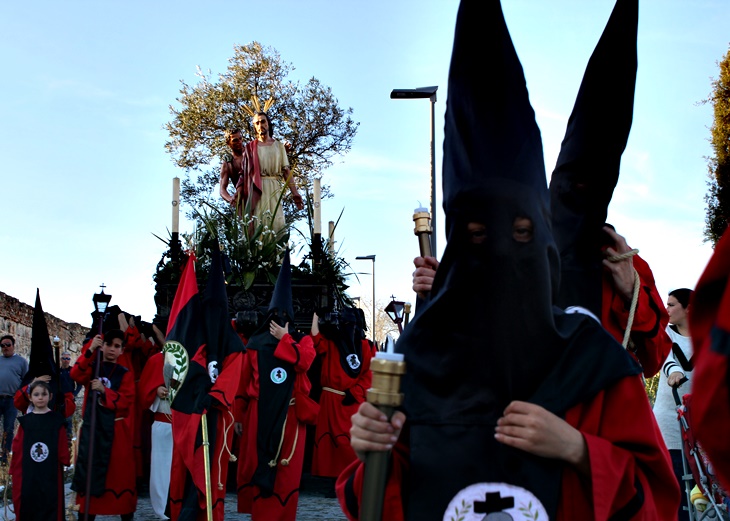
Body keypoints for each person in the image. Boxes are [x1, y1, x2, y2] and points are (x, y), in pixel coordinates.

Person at [338, 1, 678, 519]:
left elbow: (657, 500)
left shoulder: (594, 363)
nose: (499, 251)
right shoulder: (417, 358)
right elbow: (380, 499)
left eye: (520, 233)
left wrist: (578, 448)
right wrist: (371, 453)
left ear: (540, 238)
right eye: (477, 235)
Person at [236, 251, 318, 521]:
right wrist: (238, 415)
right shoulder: (255, 345)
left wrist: (285, 339)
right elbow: (243, 383)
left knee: (286, 473)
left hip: (290, 417)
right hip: (259, 415)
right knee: (261, 467)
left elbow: (305, 362)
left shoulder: (301, 341)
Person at [71, 329, 137, 520]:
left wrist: (105, 392)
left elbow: (126, 401)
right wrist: (90, 350)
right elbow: (75, 374)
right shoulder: (93, 367)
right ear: (103, 346)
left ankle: (125, 514)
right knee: (89, 475)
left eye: (117, 346)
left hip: (115, 433)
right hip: (92, 430)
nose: (112, 349)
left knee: (118, 476)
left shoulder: (125, 374)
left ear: (122, 350)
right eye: (109, 344)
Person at [310, 309, 373, 479]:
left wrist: (356, 392)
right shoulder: (332, 343)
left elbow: (370, 374)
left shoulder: (368, 347)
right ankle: (332, 478)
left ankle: (353, 476)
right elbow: (315, 339)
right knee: (328, 442)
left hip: (352, 402)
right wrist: (317, 314)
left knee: (349, 441)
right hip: (330, 399)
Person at [652, 288, 694, 521]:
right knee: (677, 484)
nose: (666, 310)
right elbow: (667, 359)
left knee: (704, 487)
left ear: (689, 308)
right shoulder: (665, 334)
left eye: (672, 305)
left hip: (700, 422)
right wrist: (675, 372)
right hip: (669, 420)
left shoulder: (709, 337)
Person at [9, 380, 71, 521]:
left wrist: (64, 458)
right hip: (30, 473)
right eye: (36, 394)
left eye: (44, 394)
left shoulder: (56, 420)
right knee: (30, 504)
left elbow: (61, 442)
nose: (40, 397)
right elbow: (18, 447)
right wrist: (14, 469)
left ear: (50, 396)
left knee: (50, 503)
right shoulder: (26, 422)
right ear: (30, 397)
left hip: (50, 471)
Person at [241, 111, 304, 234]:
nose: (260, 125)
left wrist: (295, 193)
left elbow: (286, 171)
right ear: (254, 126)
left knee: (277, 223)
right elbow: (244, 174)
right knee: (259, 222)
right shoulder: (250, 148)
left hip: (274, 188)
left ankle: (278, 252)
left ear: (268, 123)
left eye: (263, 121)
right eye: (257, 123)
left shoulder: (279, 146)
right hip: (257, 189)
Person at [138, 351, 172, 520]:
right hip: (163, 423)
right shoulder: (156, 360)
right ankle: (162, 509)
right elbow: (144, 389)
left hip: (187, 424)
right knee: (161, 470)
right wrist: (156, 389)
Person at [0, 334, 29, 463]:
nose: (5, 347)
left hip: (12, 400)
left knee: (8, 428)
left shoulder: (21, 362)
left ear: (13, 346)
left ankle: (5, 455)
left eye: (8, 345)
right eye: (2, 346)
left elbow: (26, 381)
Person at [219, 128, 248, 214]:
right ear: (229, 143)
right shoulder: (228, 162)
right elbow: (222, 189)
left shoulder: (251, 152)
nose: (239, 142)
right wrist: (231, 199)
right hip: (242, 201)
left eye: (240, 138)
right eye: (235, 140)